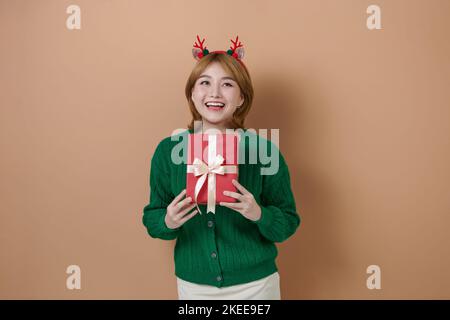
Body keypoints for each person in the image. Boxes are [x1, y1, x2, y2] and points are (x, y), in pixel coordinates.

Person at [142, 36, 301, 300]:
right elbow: (152, 218)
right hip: (194, 286)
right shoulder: (168, 152)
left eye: (227, 84)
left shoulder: (264, 152)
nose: (215, 93)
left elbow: (288, 223)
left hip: (256, 286)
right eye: (205, 83)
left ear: (241, 98)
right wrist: (167, 220)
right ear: (192, 94)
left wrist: (259, 213)